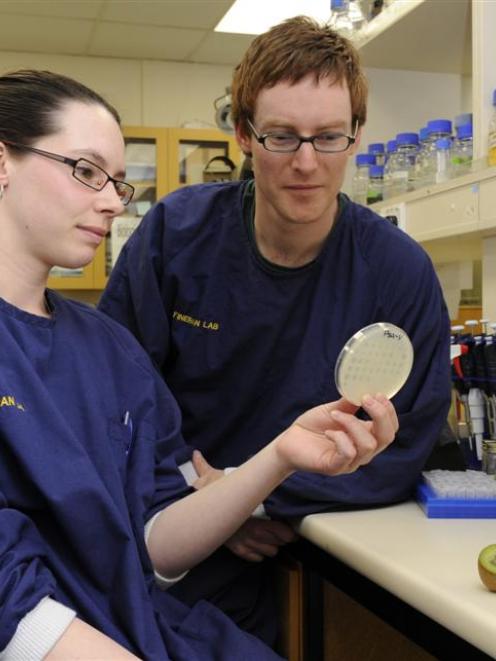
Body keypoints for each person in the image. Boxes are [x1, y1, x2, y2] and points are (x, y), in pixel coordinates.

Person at [0, 68, 398, 660]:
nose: (112, 200)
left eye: (116, 181)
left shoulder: (108, 348)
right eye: (85, 171)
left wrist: (281, 456)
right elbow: (15, 608)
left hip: (148, 627)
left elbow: (154, 544)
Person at [99, 15, 451, 645]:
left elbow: (407, 443)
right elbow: (113, 392)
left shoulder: (399, 273)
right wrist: (208, 502)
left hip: (305, 539)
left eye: (330, 137)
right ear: (244, 135)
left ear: (357, 136)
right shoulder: (176, 238)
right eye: (283, 137)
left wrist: (257, 500)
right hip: (164, 530)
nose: (307, 164)